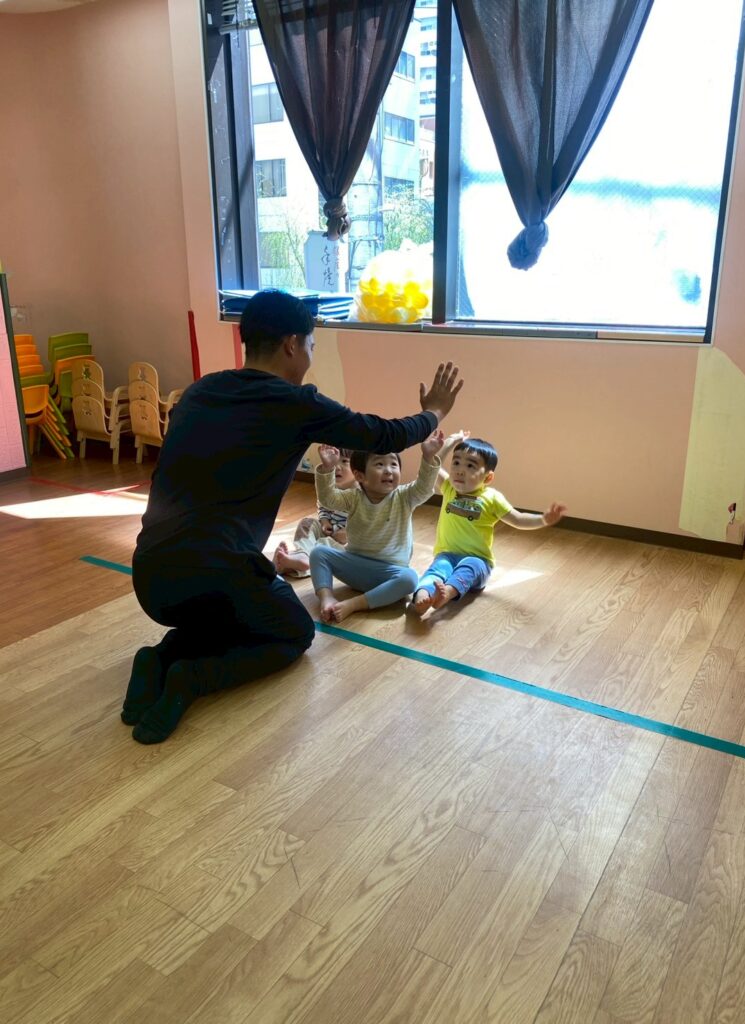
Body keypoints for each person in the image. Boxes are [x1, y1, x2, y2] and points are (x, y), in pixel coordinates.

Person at [123, 289, 463, 744]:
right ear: (291, 344)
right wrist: (434, 412)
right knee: (293, 633)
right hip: (215, 575)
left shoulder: (200, 391)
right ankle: (192, 676)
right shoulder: (294, 403)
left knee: (230, 610)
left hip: (150, 578)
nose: (310, 355)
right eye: (311, 345)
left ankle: (160, 657)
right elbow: (383, 434)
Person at [412, 436, 566, 614]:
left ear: (488, 477)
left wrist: (543, 519)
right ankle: (421, 598)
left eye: (470, 466)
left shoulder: (492, 498)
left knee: (469, 566)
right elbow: (433, 465)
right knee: (437, 570)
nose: (460, 471)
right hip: (447, 555)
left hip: (479, 561)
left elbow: (518, 519)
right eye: (456, 463)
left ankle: (446, 594)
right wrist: (450, 443)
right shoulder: (448, 487)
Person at [309, 430, 446, 623]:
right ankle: (326, 598)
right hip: (355, 566)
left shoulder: (404, 497)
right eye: (380, 464)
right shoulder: (354, 497)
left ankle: (355, 604)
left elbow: (424, 488)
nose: (388, 470)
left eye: (393, 464)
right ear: (359, 475)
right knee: (318, 553)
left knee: (409, 579)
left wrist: (428, 457)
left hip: (388, 573)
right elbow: (328, 499)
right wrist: (327, 468)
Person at [272, 449, 355, 578]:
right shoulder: (329, 488)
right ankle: (301, 555)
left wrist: (349, 533)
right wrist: (324, 521)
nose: (337, 467)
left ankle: (290, 563)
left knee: (322, 547)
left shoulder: (361, 492)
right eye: (334, 461)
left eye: (344, 461)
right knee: (307, 523)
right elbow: (323, 506)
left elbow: (367, 521)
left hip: (345, 541)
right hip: (329, 530)